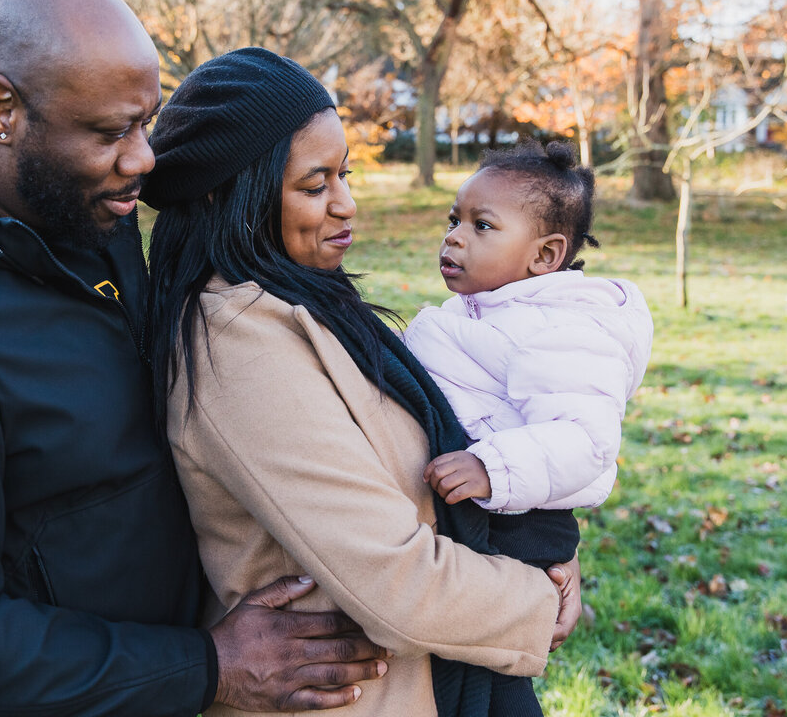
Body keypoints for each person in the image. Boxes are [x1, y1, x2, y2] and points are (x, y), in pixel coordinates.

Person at [0, 0, 393, 717]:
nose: (143, 159)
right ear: (1, 109)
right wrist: (210, 666)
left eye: (146, 121)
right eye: (111, 132)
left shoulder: (80, 216)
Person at [141, 47, 583, 717]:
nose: (346, 206)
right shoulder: (237, 342)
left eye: (344, 175)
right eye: (315, 186)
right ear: (225, 193)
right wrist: (536, 597)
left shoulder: (302, 304)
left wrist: (545, 544)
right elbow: (395, 581)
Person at [403, 140, 654, 715]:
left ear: (544, 256)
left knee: (491, 682)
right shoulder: (488, 311)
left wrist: (493, 468)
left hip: (518, 528)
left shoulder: (560, 330)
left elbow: (586, 443)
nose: (454, 237)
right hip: (480, 520)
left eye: (482, 225)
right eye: (454, 219)